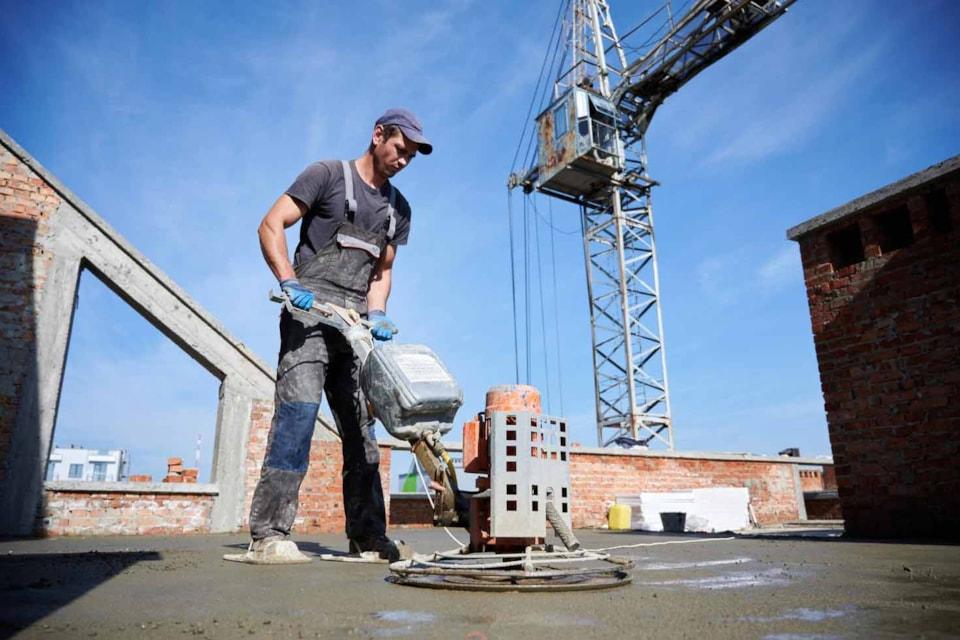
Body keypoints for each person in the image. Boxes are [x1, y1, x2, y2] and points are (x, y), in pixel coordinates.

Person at [239, 109, 431, 564]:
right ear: (378, 135)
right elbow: (271, 224)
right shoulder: (326, 176)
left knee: (362, 431)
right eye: (399, 149)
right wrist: (289, 282)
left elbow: (382, 272)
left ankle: (368, 537)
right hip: (308, 316)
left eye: (411, 156)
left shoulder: (398, 210)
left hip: (354, 328)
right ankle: (268, 535)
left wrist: (377, 313)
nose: (403, 160)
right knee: (298, 416)